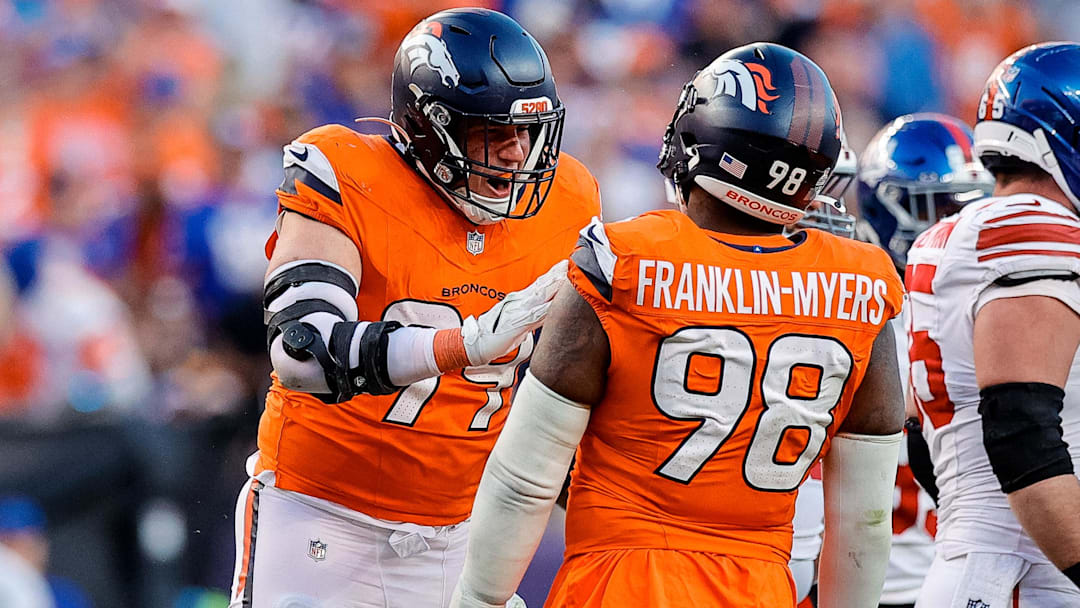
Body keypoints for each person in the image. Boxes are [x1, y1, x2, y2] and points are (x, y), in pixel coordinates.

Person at [451, 42, 906, 608]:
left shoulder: (625, 260)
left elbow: (525, 482)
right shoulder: (865, 285)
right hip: (761, 589)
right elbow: (862, 522)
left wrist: (478, 598)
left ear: (707, 140)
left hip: (621, 581)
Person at [228, 8, 602, 608]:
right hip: (321, 516)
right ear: (431, 127)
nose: (516, 154)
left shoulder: (568, 200)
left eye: (528, 133)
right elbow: (304, 351)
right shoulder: (349, 173)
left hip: (464, 533)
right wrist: (466, 344)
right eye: (493, 133)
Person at [790, 114, 996, 608]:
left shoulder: (854, 302)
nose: (959, 222)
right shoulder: (869, 310)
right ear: (890, 205)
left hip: (928, 573)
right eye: (940, 206)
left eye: (970, 204)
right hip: (876, 575)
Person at [906, 43, 1080, 606]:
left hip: (985, 565)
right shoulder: (1032, 231)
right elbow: (1022, 436)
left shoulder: (961, 231)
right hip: (1028, 577)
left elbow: (923, 446)